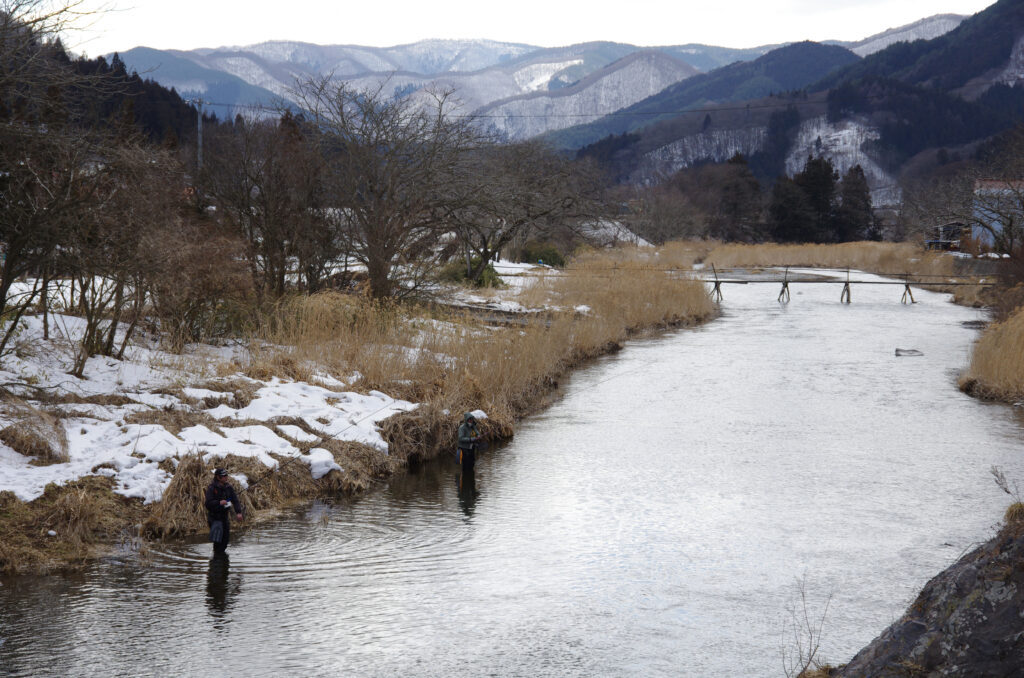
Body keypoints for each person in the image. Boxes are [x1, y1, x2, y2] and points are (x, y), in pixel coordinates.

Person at [205, 468, 244, 555]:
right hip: (214, 518)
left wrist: (238, 512)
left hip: (224, 517)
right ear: (218, 477)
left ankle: (221, 559)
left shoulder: (228, 487)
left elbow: (235, 500)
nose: (226, 477)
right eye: (224, 476)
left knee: (225, 540)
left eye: (226, 475)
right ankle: (216, 560)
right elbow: (208, 503)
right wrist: (219, 502)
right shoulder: (212, 488)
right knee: (218, 540)